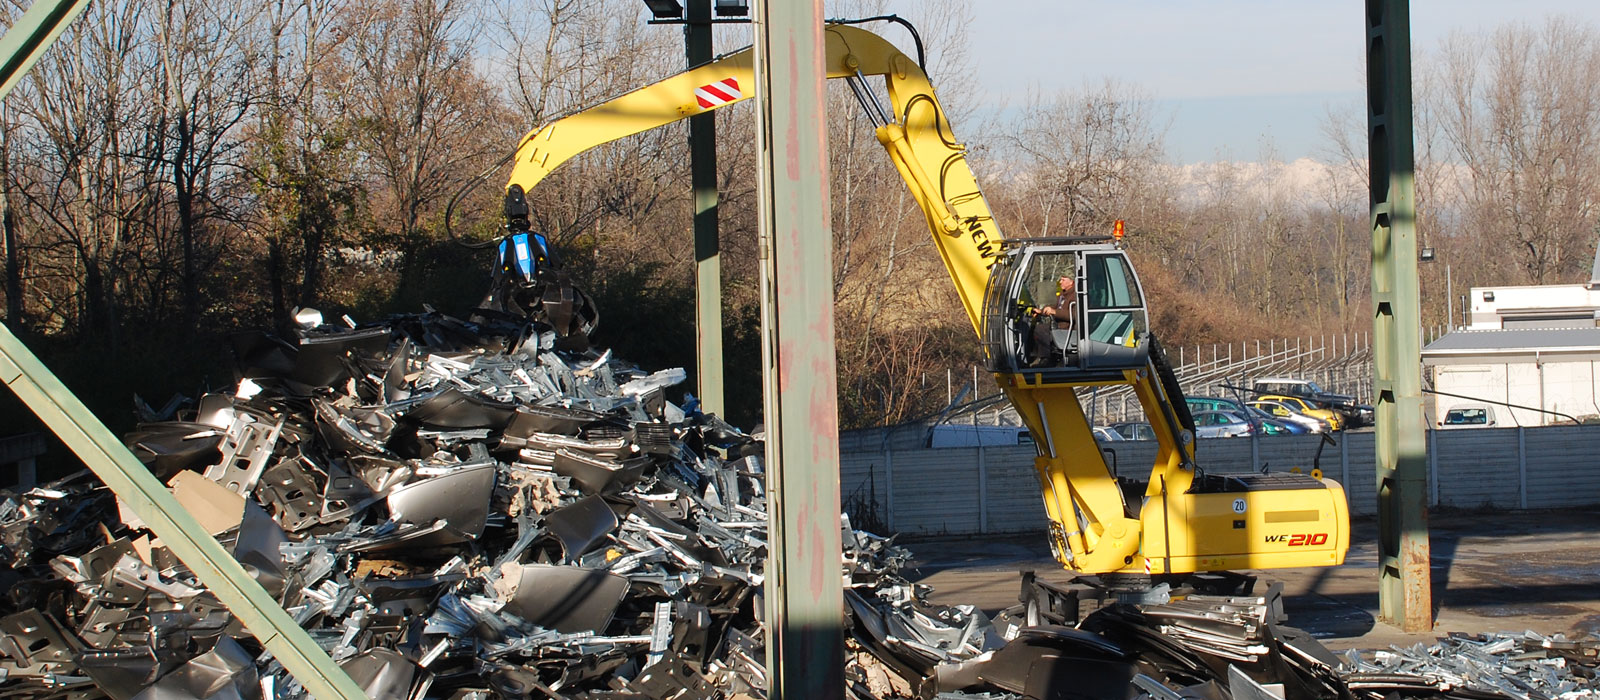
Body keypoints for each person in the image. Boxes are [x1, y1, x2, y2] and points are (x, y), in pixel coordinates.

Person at [1030, 276, 1075, 365]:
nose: (1060, 282)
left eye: (1063, 280)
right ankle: (1035, 356)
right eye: (1060, 279)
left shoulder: (1075, 295)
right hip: (1059, 324)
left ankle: (1045, 359)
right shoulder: (1063, 294)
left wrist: (1054, 312)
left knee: (1041, 329)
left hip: (1067, 327)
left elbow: (1074, 315)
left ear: (1071, 282)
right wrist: (1041, 311)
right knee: (1033, 327)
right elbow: (1054, 307)